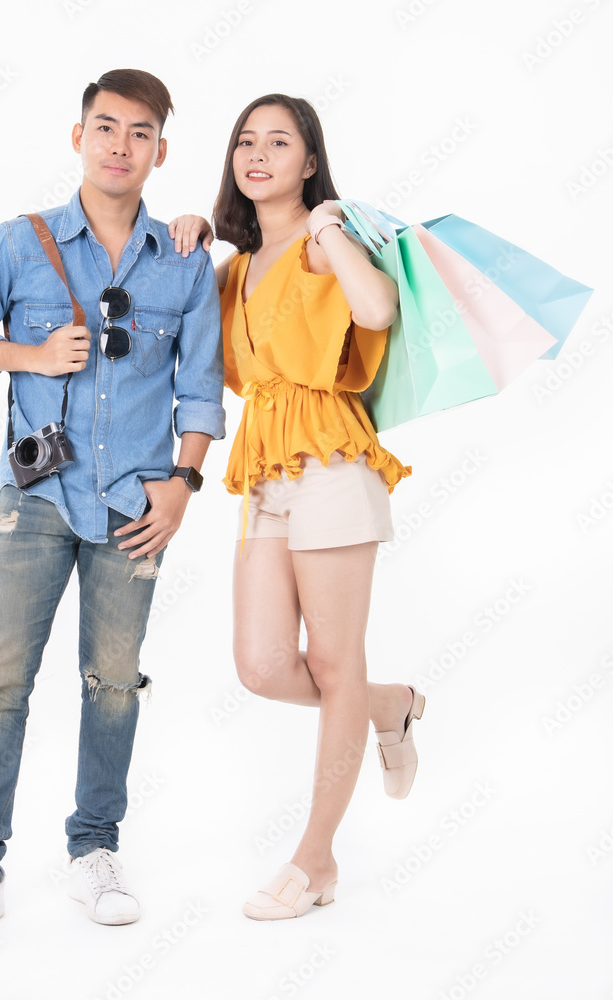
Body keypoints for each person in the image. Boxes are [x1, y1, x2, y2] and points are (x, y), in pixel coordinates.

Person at [0, 68, 225, 947]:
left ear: (161, 150)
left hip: (137, 506)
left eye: (139, 133)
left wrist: (183, 485)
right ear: (77, 136)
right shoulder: (20, 242)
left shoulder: (185, 259)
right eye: (105, 127)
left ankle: (95, 849)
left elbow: (199, 391)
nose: (120, 145)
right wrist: (32, 355)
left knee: (114, 684)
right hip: (35, 497)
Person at [169, 94, 422, 920]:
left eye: (280, 141)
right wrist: (185, 240)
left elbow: (376, 309)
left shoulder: (322, 243)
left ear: (309, 161)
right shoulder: (235, 268)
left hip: (331, 461)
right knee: (263, 666)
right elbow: (180, 341)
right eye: (246, 140)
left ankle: (315, 862)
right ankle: (387, 706)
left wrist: (326, 229)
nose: (258, 154)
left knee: (335, 660)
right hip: (264, 469)